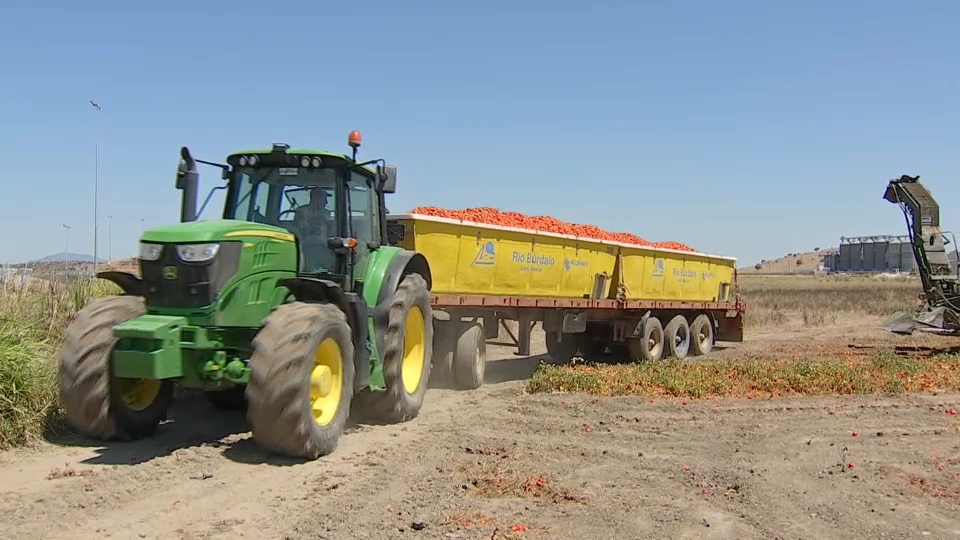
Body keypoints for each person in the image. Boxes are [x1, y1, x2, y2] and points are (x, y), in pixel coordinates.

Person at [292, 186, 335, 271]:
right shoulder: (301, 211)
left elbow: (330, 229)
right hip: (307, 246)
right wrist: (311, 228)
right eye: (324, 199)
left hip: (324, 246)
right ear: (315, 198)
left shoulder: (326, 213)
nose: (326, 202)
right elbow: (297, 228)